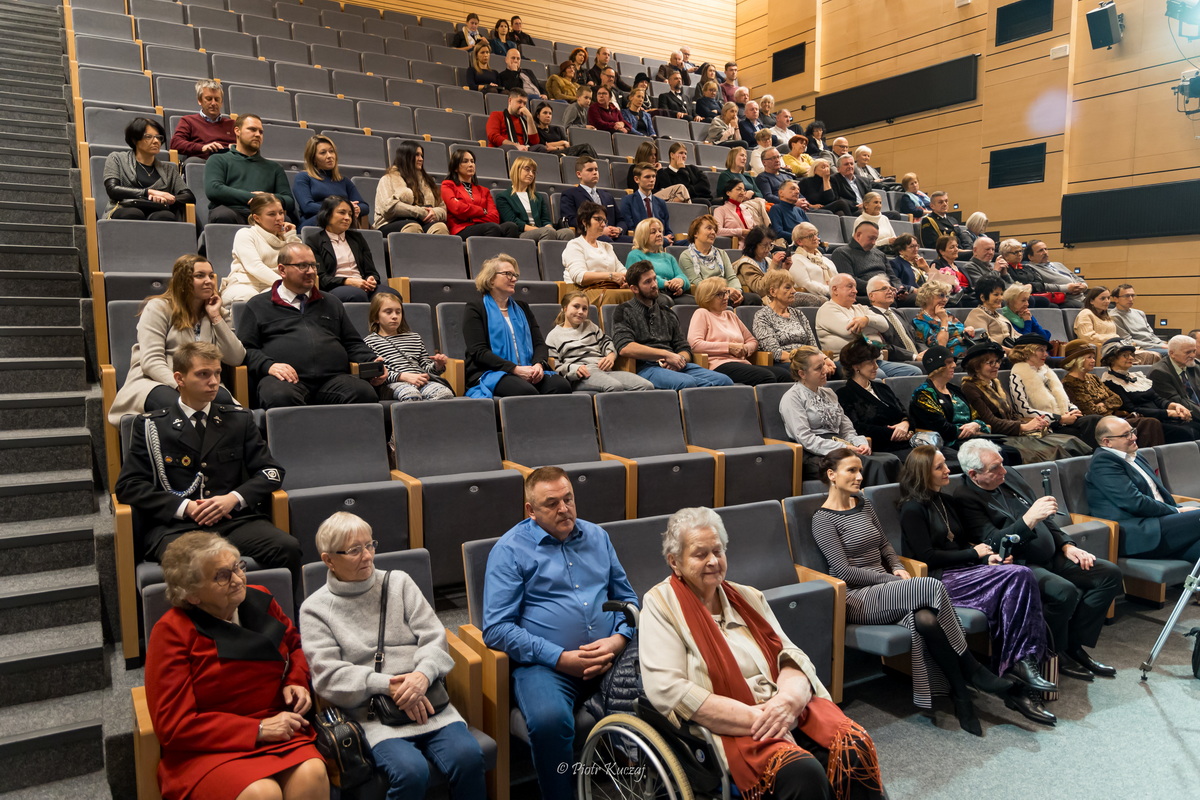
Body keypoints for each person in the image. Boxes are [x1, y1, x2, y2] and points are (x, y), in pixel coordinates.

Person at [641, 506, 884, 800]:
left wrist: (789, 701)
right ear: (674, 562)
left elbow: (790, 654)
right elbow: (669, 689)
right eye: (700, 554)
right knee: (802, 773)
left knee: (852, 745)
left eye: (718, 551)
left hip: (783, 707)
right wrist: (759, 718)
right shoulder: (660, 604)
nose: (713, 561)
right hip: (730, 726)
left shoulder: (748, 596)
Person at [813, 448, 1013, 731]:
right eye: (851, 471)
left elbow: (885, 546)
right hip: (855, 597)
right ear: (832, 475)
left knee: (925, 620)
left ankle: (960, 697)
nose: (859, 477)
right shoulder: (823, 519)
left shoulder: (864, 504)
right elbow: (842, 570)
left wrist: (896, 567)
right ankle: (972, 668)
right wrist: (893, 581)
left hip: (887, 589)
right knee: (929, 584)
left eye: (860, 470)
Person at [300, 514, 485, 799]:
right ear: (328, 560)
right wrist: (388, 685)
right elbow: (328, 676)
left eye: (370, 545)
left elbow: (435, 637)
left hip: (427, 698)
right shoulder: (315, 609)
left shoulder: (398, 583)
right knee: (410, 772)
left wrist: (422, 676)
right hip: (372, 713)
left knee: (469, 757)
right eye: (354, 550)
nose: (368, 556)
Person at [483, 467, 638, 800]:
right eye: (551, 503)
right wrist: (561, 658)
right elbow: (496, 629)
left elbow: (627, 600)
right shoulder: (509, 551)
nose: (564, 508)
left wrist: (617, 640)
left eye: (568, 498)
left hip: (612, 654)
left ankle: (647, 782)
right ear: (531, 510)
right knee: (550, 721)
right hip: (547, 665)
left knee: (666, 685)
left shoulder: (598, 537)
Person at [146, 532, 325, 800]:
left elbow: (296, 646)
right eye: (222, 575)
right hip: (212, 747)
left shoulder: (261, 599)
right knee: (261, 793)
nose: (238, 579)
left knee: (313, 774)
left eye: (238, 567)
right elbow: (174, 726)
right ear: (192, 594)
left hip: (281, 726)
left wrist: (295, 681)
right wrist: (259, 730)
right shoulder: (172, 632)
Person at [898, 448, 1058, 726]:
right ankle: (1020, 665)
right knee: (1019, 575)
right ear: (924, 472)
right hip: (938, 580)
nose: (948, 470)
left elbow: (961, 544)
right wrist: (975, 555)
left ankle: (1018, 669)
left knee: (1014, 580)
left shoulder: (945, 501)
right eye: (939, 468)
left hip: (965, 570)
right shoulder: (912, 507)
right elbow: (926, 556)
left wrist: (986, 555)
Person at [115, 343, 300, 580]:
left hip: (234, 520)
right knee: (202, 563)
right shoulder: (151, 425)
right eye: (203, 374)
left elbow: (271, 472)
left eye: (217, 373)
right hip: (177, 527)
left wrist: (233, 499)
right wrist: (186, 507)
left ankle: (281, 615)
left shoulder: (239, 419)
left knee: (287, 547)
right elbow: (129, 485)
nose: (213, 381)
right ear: (179, 378)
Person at [955, 438, 1122, 681]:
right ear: (974, 474)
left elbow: (1047, 518)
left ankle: (1073, 646)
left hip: (1053, 554)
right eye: (995, 468)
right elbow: (992, 543)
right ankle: (1054, 652)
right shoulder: (965, 497)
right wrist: (1028, 520)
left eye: (1002, 464)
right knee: (1064, 592)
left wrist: (1066, 544)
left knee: (1109, 574)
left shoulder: (1009, 476)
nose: (1003, 471)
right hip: (1021, 565)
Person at [237, 241, 386, 408]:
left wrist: (371, 359)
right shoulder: (258, 305)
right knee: (279, 396)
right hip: (285, 381)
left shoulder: (331, 302)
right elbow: (245, 349)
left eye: (313, 266)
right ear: (282, 270)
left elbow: (352, 342)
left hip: (332, 379)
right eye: (302, 266)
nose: (311, 272)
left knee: (363, 393)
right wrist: (269, 365)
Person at [108, 255, 243, 425]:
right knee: (181, 407)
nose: (208, 281)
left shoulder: (217, 313)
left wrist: (215, 316)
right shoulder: (159, 308)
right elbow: (151, 361)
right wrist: (183, 386)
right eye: (200, 276)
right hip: (156, 381)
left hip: (203, 380)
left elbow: (236, 357)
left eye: (211, 275)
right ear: (183, 280)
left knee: (227, 407)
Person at [1085, 416, 1200, 562]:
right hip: (1139, 532)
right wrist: (1177, 511)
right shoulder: (1103, 463)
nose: (1134, 437)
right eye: (1126, 435)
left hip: (1162, 524)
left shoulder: (1135, 456)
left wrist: (1176, 510)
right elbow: (1134, 502)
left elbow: (1156, 494)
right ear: (1107, 442)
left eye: (1132, 431)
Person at [959, 341, 1092, 463]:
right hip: (999, 435)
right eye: (991, 363)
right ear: (976, 367)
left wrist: (1034, 422)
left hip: (1013, 430)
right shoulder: (970, 387)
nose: (997, 366)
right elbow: (991, 421)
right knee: (1051, 451)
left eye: (997, 361)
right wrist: (1023, 427)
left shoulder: (995, 383)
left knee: (1072, 442)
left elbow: (1012, 415)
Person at [610, 260, 734, 390]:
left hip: (674, 364)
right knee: (687, 383)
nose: (654, 285)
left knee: (725, 381)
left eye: (654, 279)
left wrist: (679, 360)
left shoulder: (667, 312)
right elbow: (624, 347)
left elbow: (684, 348)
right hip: (646, 366)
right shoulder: (624, 310)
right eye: (647, 282)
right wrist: (666, 355)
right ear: (634, 288)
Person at [781, 349, 901, 483]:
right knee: (874, 464)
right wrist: (844, 448)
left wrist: (860, 444)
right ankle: (870, 502)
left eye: (824, 365)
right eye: (818, 368)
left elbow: (847, 430)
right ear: (802, 373)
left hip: (842, 447)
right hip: (815, 454)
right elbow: (806, 439)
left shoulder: (829, 393)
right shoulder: (792, 398)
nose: (825, 370)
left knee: (890, 459)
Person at [464, 255, 570, 398]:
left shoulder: (522, 307)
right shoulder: (475, 308)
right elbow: (479, 352)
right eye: (508, 274)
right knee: (525, 391)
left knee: (561, 386)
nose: (514, 279)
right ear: (490, 279)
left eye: (515, 275)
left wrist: (538, 365)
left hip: (528, 368)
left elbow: (539, 344)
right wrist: (514, 369)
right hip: (491, 372)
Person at [1061, 339, 1165, 445]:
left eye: (1093, 357)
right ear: (1077, 360)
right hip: (1100, 424)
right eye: (1089, 357)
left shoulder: (1093, 377)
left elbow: (1117, 399)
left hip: (1114, 418)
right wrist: (1108, 403)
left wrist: (1102, 404)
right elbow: (1091, 411)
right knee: (1149, 423)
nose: (1093, 361)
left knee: (1151, 423)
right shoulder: (1070, 382)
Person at [688, 277, 789, 385]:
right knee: (766, 377)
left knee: (785, 375)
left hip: (742, 362)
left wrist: (746, 348)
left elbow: (752, 341)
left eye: (726, 292)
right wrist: (729, 347)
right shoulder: (702, 313)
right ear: (707, 297)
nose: (726, 297)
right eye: (720, 294)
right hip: (718, 365)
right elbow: (695, 344)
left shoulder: (730, 314)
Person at [546, 291, 653, 393]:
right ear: (565, 308)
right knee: (615, 386)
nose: (580, 312)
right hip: (580, 376)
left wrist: (611, 355)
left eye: (584, 309)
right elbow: (555, 367)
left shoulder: (590, 326)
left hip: (603, 370)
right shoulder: (553, 336)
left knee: (647, 386)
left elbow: (607, 342)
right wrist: (574, 368)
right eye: (576, 306)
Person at [818, 274, 921, 377]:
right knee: (879, 375)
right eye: (850, 286)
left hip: (874, 360)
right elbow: (849, 331)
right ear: (835, 289)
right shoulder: (827, 309)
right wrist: (873, 329)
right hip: (848, 363)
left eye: (855, 287)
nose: (855, 291)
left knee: (914, 372)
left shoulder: (861, 308)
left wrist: (866, 320)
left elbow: (885, 325)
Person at [1007, 333, 1100, 446]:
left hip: (1065, 419)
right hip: (1048, 424)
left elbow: (1065, 400)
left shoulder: (1047, 371)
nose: (1046, 354)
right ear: (1026, 352)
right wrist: (1059, 419)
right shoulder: (1017, 375)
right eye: (1041, 350)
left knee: (1095, 420)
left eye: (1045, 350)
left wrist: (1074, 410)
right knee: (1079, 434)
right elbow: (1022, 410)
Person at [302, 196, 397, 306]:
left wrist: (371, 279)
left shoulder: (357, 238)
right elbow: (321, 278)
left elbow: (372, 272)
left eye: (350, 214)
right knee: (356, 295)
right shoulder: (314, 240)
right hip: (335, 287)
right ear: (327, 215)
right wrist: (348, 281)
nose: (347, 218)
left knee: (392, 295)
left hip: (362, 284)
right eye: (342, 213)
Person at [1099, 338, 1200, 441]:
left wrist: (1174, 405)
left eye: (1131, 355)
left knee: (1196, 426)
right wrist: (1168, 412)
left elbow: (1157, 399)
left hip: (1161, 416)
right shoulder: (1110, 382)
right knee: (1187, 432)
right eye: (1125, 355)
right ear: (1111, 359)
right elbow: (1132, 410)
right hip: (1146, 422)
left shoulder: (1137, 377)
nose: (1130, 358)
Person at [204, 114, 294, 225]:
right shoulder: (218, 159)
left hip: (264, 215)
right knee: (223, 215)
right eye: (252, 129)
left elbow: (289, 201)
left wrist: (265, 198)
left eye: (261, 132)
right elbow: (214, 190)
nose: (257, 134)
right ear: (237, 131)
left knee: (285, 220)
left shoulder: (274, 167)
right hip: (231, 211)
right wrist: (256, 198)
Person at [364, 293, 453, 402]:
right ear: (376, 317)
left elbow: (425, 369)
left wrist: (437, 366)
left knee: (444, 394)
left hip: (420, 381)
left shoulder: (414, 337)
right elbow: (377, 375)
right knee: (411, 395)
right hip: (391, 385)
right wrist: (402, 376)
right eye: (388, 312)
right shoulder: (369, 342)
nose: (394, 316)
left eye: (398, 312)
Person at [909, 346, 998, 451]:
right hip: (948, 443)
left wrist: (976, 425)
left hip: (971, 439)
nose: (954, 365)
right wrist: (973, 429)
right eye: (949, 362)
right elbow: (944, 429)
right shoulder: (924, 394)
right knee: (1001, 453)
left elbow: (977, 418)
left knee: (1010, 452)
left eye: (954, 362)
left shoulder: (955, 390)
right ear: (937, 366)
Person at [102, 117, 193, 221]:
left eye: (159, 137)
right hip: (124, 207)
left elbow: (188, 196)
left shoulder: (168, 169)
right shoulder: (117, 158)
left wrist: (169, 199)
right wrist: (148, 192)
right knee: (133, 213)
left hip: (157, 210)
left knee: (165, 216)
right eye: (149, 137)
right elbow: (112, 190)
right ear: (134, 140)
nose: (156, 141)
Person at [835, 340, 915, 455]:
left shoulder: (882, 388)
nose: (876, 366)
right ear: (856, 366)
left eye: (876, 361)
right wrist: (894, 433)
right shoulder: (844, 394)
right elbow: (857, 428)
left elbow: (904, 413)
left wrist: (905, 423)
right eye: (871, 362)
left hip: (906, 443)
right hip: (879, 449)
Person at [220, 193, 301, 304]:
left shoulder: (286, 237)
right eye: (272, 214)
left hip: (274, 285)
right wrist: (285, 285)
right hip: (245, 283)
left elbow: (301, 262)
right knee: (250, 299)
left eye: (281, 213)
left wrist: (291, 236)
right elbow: (255, 267)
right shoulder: (246, 234)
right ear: (257, 218)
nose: (279, 218)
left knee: (283, 299)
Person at [562, 201, 633, 307]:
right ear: (584, 222)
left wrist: (626, 280)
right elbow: (580, 276)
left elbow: (621, 270)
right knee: (612, 297)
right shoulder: (575, 245)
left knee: (637, 294)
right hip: (582, 292)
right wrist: (610, 276)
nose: (603, 224)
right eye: (598, 219)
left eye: (604, 220)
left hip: (608, 288)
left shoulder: (607, 246)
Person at [373, 140, 450, 236]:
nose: (421, 159)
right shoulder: (387, 179)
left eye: (422, 156)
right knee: (413, 227)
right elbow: (388, 208)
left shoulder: (428, 182)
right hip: (390, 222)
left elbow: (442, 207)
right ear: (406, 157)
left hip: (421, 221)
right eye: (417, 155)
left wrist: (435, 212)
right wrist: (420, 212)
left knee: (440, 228)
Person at [440, 149, 521, 239]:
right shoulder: (448, 185)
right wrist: (482, 211)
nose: (470, 165)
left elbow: (494, 217)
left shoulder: (484, 190)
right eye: (465, 161)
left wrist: (471, 218)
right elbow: (457, 208)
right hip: (461, 228)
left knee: (511, 227)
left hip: (484, 226)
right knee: (492, 228)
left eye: (472, 161)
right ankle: (491, 253)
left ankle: (508, 253)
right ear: (455, 167)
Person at [293, 135, 368, 229]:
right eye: (323, 153)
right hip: (314, 222)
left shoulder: (344, 181)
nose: (329, 156)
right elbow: (308, 207)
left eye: (331, 151)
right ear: (313, 159)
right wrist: (338, 210)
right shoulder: (303, 177)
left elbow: (364, 206)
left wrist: (355, 208)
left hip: (342, 222)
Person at [496, 156, 574, 242]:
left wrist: (549, 227)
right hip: (520, 233)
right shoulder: (503, 197)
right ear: (516, 170)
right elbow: (513, 221)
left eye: (533, 171)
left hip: (542, 231)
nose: (531, 174)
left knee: (567, 233)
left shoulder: (538, 197)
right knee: (547, 232)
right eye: (527, 169)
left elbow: (545, 220)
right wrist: (539, 229)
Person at [1074, 286, 1159, 364]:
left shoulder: (1106, 316)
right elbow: (1087, 337)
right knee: (1147, 356)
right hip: (1100, 350)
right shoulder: (1085, 314)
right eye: (1102, 298)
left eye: (1108, 298)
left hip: (1114, 347)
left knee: (1153, 355)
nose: (1107, 301)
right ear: (1091, 301)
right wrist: (1113, 338)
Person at [831, 220, 912, 301]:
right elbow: (850, 281)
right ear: (858, 235)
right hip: (865, 295)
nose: (874, 242)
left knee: (919, 300)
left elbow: (892, 277)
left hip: (888, 293)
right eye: (871, 238)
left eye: (875, 239)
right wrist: (880, 289)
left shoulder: (880, 254)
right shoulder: (841, 253)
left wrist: (899, 289)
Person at [679, 215, 748, 307]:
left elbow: (731, 277)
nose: (713, 232)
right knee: (726, 302)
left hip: (726, 293)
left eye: (714, 230)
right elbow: (698, 283)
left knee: (753, 299)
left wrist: (737, 292)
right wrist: (725, 291)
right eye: (709, 228)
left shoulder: (722, 253)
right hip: (707, 294)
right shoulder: (686, 256)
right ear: (696, 233)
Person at [626, 217, 693, 304]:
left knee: (693, 302)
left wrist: (680, 282)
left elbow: (682, 276)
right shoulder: (635, 255)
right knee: (665, 302)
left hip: (672, 292)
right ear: (643, 236)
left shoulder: (668, 257)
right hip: (649, 293)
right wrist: (666, 283)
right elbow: (642, 279)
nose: (659, 234)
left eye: (660, 231)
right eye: (653, 232)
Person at [169, 79, 235, 162]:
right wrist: (203, 147)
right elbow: (176, 143)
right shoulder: (188, 121)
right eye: (209, 99)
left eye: (217, 99)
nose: (214, 103)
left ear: (221, 102)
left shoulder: (233, 124)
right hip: (204, 162)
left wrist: (237, 147)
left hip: (230, 162)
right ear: (199, 100)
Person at [559, 156, 623, 239]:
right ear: (579, 174)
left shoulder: (607, 196)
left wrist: (618, 229)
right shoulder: (570, 194)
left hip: (612, 235)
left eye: (596, 169)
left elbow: (621, 219)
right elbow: (571, 220)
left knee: (635, 242)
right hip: (588, 236)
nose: (595, 172)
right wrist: (598, 229)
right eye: (590, 170)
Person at [864, 275, 923, 363]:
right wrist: (913, 356)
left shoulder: (899, 313)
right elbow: (884, 346)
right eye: (884, 288)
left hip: (918, 358)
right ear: (871, 296)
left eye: (891, 289)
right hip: (899, 361)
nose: (890, 291)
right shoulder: (871, 316)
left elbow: (916, 338)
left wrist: (924, 353)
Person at [911, 281, 975, 357]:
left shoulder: (946, 313)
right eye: (941, 295)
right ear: (927, 296)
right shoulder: (920, 321)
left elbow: (961, 329)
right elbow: (940, 347)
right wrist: (944, 321)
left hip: (970, 347)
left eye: (946, 296)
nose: (945, 300)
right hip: (952, 358)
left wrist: (968, 329)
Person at [617, 163, 675, 241]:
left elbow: (667, 229)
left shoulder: (661, 202)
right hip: (642, 240)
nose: (652, 180)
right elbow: (632, 228)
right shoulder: (628, 200)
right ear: (636, 179)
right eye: (647, 177)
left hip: (661, 240)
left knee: (689, 242)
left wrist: (669, 236)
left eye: (654, 176)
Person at [1023, 239, 1088, 307]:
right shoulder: (1030, 269)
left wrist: (1084, 285)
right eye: (1040, 251)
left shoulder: (1058, 264)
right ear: (1030, 257)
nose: (1045, 252)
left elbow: (1075, 277)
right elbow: (1041, 286)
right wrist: (1066, 288)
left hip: (1082, 297)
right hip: (1065, 299)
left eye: (1046, 249)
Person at [1110, 283, 1168, 356]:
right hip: (1141, 348)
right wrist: (1161, 346)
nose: (1131, 299)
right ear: (1115, 299)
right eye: (1127, 296)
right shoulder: (1114, 316)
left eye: (1133, 295)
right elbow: (1128, 341)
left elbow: (1151, 334)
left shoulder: (1140, 313)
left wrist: (1162, 343)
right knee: (1174, 354)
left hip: (1153, 345)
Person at [1149, 334, 1200, 418]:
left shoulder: (1194, 366)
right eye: (1188, 352)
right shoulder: (1159, 373)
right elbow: (1178, 401)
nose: (1192, 355)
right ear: (1172, 353)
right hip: (1179, 416)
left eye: (1194, 351)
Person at [965, 276, 1019, 348]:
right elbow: (984, 342)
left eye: (1001, 294)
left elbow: (1016, 334)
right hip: (994, 354)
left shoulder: (998, 315)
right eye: (996, 294)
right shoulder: (977, 314)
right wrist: (1010, 352)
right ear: (983, 297)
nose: (1001, 298)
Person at [790, 221, 837, 298]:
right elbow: (805, 285)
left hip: (835, 295)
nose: (816, 238)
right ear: (799, 241)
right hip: (815, 298)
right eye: (810, 236)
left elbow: (838, 279)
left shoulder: (826, 260)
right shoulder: (796, 259)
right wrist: (831, 291)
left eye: (816, 234)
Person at [928, 235, 972, 305]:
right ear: (942, 251)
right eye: (952, 247)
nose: (956, 249)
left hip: (967, 297)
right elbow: (943, 287)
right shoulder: (937, 264)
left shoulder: (961, 268)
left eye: (957, 246)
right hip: (953, 299)